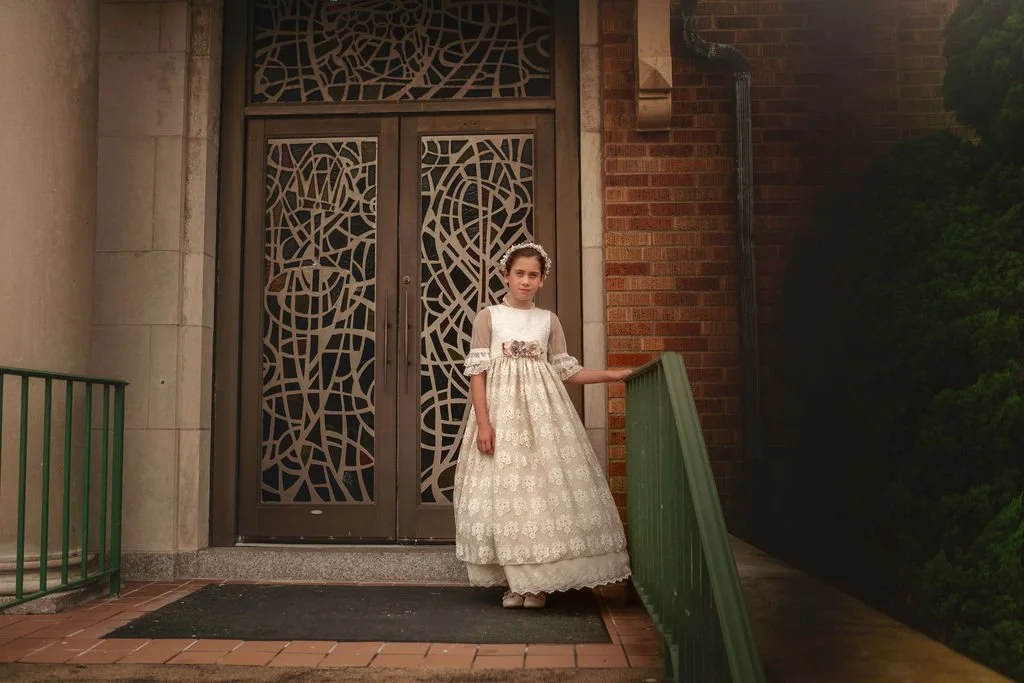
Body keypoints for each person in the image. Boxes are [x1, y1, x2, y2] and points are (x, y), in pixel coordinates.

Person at [453, 242, 632, 609]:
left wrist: (611, 375)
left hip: (544, 421)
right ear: (506, 276)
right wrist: (484, 424)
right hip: (501, 417)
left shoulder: (548, 320)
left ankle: (538, 585)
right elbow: (478, 373)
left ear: (542, 280)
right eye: (519, 273)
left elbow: (568, 370)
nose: (525, 280)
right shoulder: (489, 317)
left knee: (539, 496)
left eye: (533, 275)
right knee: (507, 498)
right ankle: (516, 584)